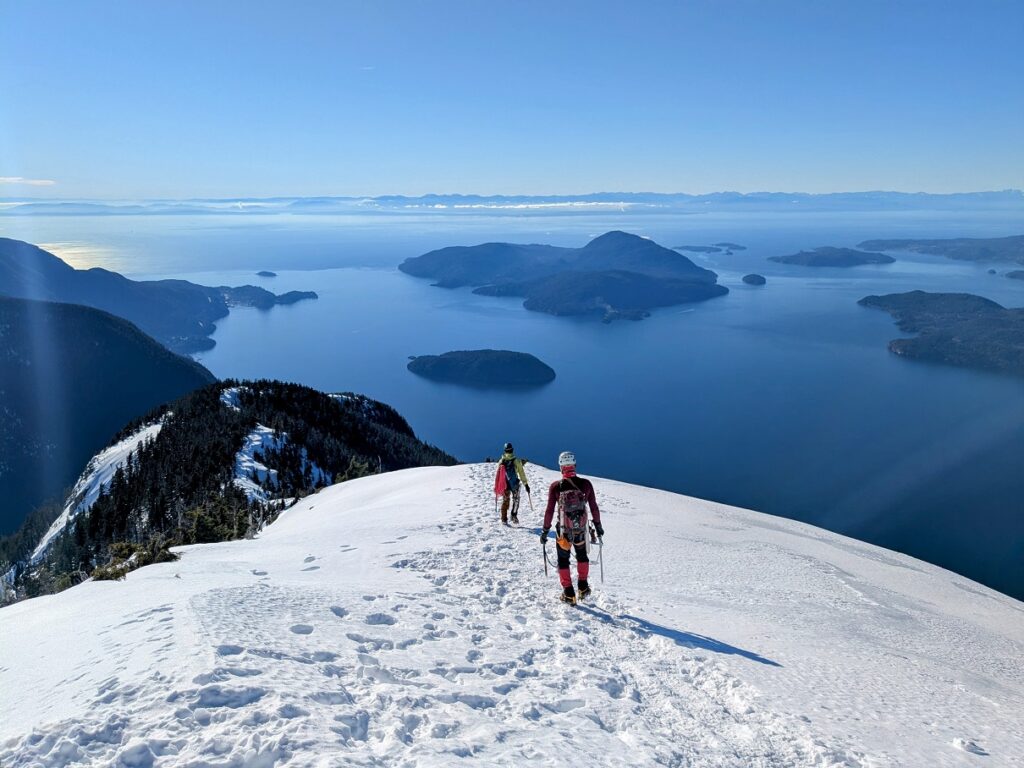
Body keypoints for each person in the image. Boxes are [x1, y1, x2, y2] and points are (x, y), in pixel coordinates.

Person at [541, 451, 603, 604]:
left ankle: (569, 593)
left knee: (563, 560)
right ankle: (583, 587)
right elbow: (594, 507)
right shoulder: (586, 484)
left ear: (561, 467)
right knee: (582, 556)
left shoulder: (556, 486)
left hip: (563, 531)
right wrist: (598, 526)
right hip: (581, 530)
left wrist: (545, 531)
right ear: (575, 465)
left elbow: (549, 510)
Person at [494, 442, 530, 525]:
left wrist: (497, 485)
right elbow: (521, 473)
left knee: (505, 500)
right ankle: (513, 515)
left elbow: (499, 474)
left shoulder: (501, 461)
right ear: (512, 450)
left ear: (505, 451)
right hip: (514, 483)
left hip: (504, 484)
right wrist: (526, 484)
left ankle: (504, 518)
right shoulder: (516, 461)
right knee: (516, 500)